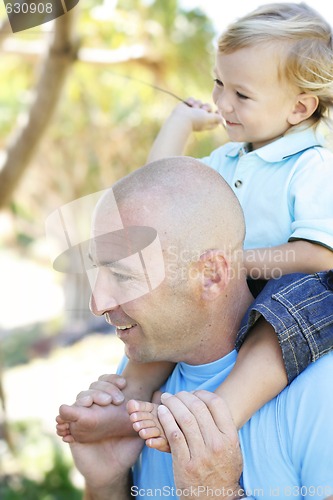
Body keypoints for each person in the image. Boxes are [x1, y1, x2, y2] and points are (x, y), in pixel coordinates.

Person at [57, 1, 333, 452]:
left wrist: (237, 262)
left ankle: (214, 418)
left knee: (278, 328)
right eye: (219, 84)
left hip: (288, 294)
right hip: (221, 292)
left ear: (300, 107)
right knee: (164, 312)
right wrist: (181, 123)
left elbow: (321, 256)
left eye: (242, 95)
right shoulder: (227, 158)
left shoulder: (313, 166)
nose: (224, 103)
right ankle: (122, 408)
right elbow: (160, 193)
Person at [60, 157, 333, 499]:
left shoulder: (321, 391)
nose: (97, 304)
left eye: (124, 275)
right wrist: (106, 484)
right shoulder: (143, 380)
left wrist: (216, 492)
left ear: (211, 276)